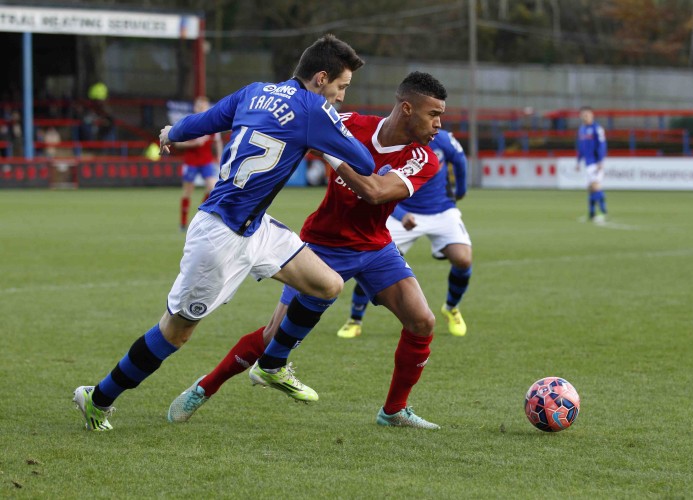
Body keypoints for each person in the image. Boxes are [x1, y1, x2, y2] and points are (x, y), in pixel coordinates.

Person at [72, 34, 375, 431]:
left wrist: (170, 133)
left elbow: (206, 121)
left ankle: (271, 365)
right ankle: (99, 397)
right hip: (218, 238)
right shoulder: (315, 111)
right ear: (320, 78)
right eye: (341, 87)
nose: (341, 97)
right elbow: (365, 161)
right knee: (175, 333)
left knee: (327, 284)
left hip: (255, 227)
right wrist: (330, 134)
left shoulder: (254, 92)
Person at [168, 71, 447, 430]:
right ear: (407, 108)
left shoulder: (424, 158)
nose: (439, 124)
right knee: (272, 336)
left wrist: (332, 154)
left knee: (422, 321)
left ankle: (393, 410)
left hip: (375, 247)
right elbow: (289, 130)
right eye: (433, 114)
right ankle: (204, 388)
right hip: (322, 246)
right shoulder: (348, 123)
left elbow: (375, 192)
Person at [337, 128, 472, 338]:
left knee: (463, 259)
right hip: (402, 212)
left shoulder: (443, 139)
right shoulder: (392, 144)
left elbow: (460, 160)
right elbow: (378, 190)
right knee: (372, 260)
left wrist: (460, 191)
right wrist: (402, 214)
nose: (434, 123)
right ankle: (354, 319)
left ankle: (451, 308)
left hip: (442, 211)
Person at [175, 96, 223, 231]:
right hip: (191, 162)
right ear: (195, 107)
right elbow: (177, 143)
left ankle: (200, 216)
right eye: (199, 106)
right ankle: (183, 223)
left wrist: (219, 156)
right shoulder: (188, 123)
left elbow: (217, 141)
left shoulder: (213, 123)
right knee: (187, 192)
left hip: (206, 161)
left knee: (212, 189)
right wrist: (194, 143)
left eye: (204, 106)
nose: (201, 108)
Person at [576, 106, 608, 223]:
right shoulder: (582, 129)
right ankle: (592, 213)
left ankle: (603, 212)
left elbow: (602, 145)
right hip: (587, 163)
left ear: (592, 115)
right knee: (590, 188)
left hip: (595, 162)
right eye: (583, 115)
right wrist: (578, 161)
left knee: (595, 186)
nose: (585, 117)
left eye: (587, 115)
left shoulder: (597, 128)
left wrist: (600, 160)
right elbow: (580, 147)